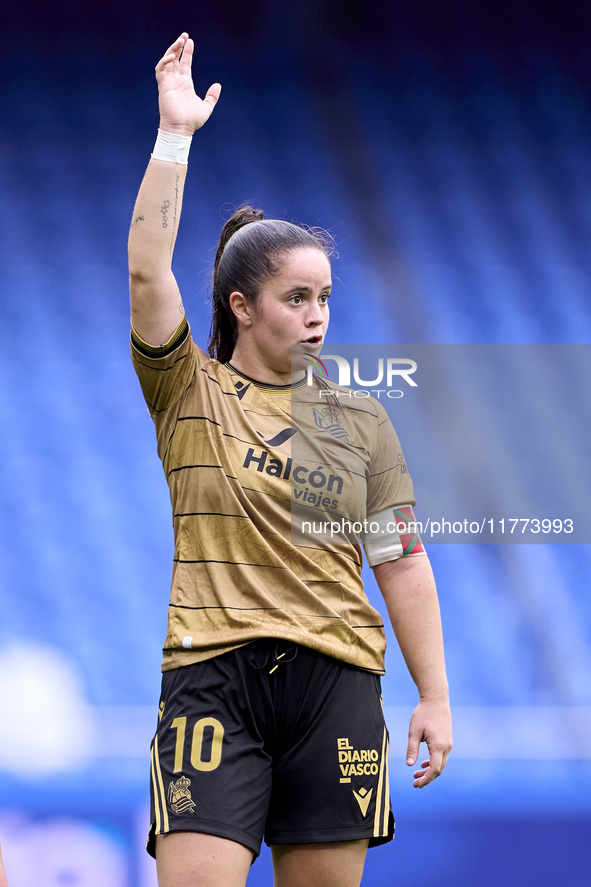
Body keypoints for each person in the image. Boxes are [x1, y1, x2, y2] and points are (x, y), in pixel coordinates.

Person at [128, 32, 452, 887]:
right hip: (212, 679)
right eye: (296, 297)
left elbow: (402, 562)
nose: (317, 316)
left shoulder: (362, 419)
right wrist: (175, 137)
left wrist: (434, 694)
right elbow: (145, 270)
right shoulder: (186, 389)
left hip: (337, 685)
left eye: (325, 298)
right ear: (241, 305)